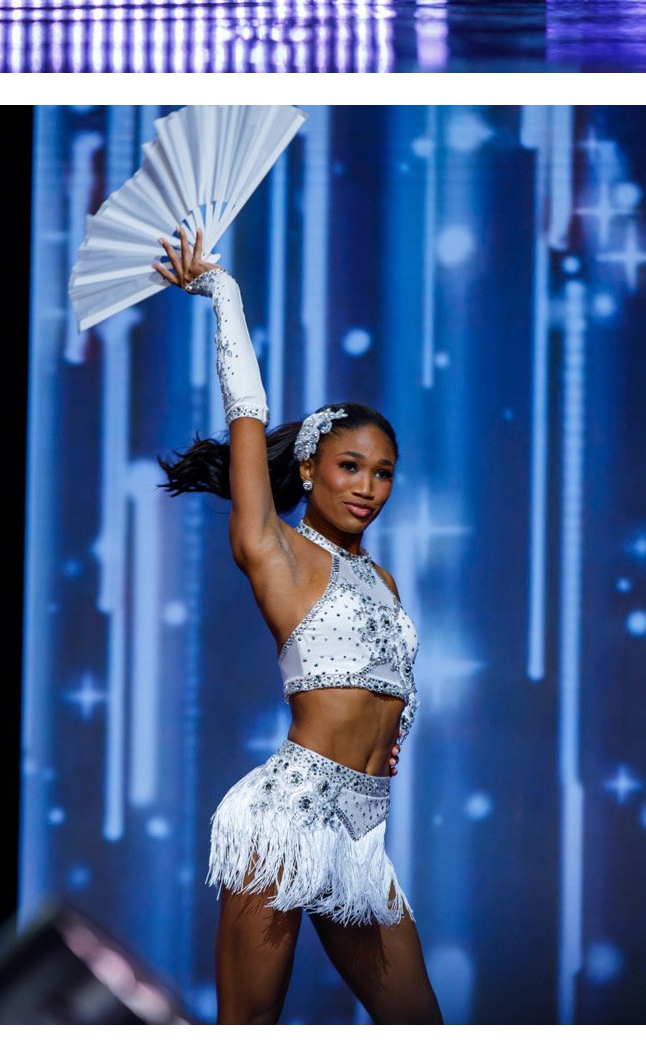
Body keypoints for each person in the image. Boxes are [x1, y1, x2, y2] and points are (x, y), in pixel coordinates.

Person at [154, 224, 442, 1025]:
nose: (368, 487)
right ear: (310, 468)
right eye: (350, 467)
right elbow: (248, 415)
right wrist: (224, 295)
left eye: (383, 473)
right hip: (284, 823)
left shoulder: (381, 578)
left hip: (361, 833)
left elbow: (381, 689)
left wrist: (389, 733)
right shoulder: (276, 550)